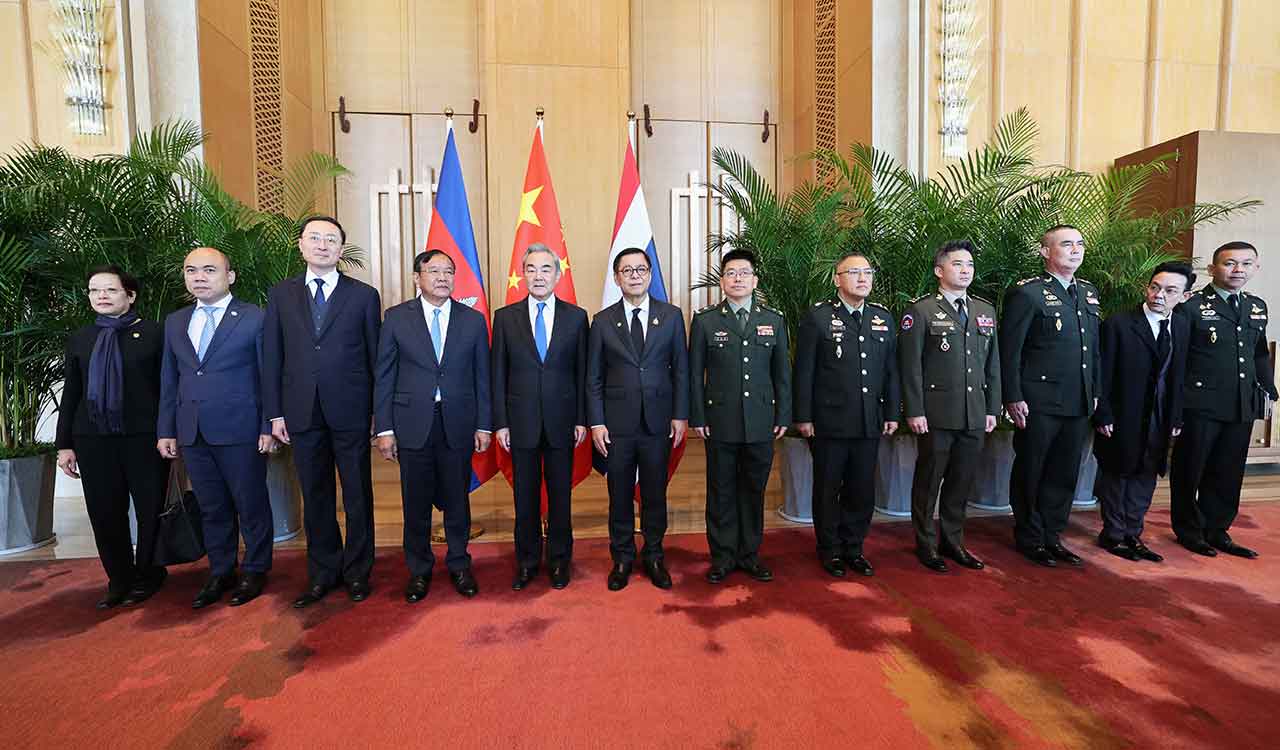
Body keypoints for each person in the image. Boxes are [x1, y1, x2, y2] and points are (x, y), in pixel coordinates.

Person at [263, 216, 382, 608]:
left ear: (341, 249)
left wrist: (377, 413)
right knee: (315, 494)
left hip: (351, 409)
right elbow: (272, 356)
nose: (322, 245)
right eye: (314, 238)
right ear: (301, 245)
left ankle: (358, 572)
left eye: (331, 239)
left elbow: (375, 359)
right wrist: (275, 413)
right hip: (301, 410)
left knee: (357, 494)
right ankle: (322, 573)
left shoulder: (363, 296)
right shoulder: (281, 295)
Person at [157, 248, 276, 609]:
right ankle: (221, 570)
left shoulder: (254, 317)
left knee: (250, 503)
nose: (199, 277)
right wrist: (166, 430)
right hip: (192, 430)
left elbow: (268, 377)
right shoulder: (175, 321)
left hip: (241, 428)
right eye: (191, 270)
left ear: (230, 276)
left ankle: (255, 569)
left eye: (209, 270)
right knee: (211, 506)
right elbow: (169, 380)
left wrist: (268, 425)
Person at [375, 250, 491, 601]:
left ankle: (459, 564)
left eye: (448, 272)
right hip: (412, 423)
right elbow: (384, 375)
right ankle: (419, 569)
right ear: (417, 278)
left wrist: (484, 425)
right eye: (434, 271)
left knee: (457, 499)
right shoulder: (396, 318)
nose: (442, 278)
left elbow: (482, 377)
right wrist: (384, 429)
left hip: (458, 421)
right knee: (416, 502)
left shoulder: (473, 320)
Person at [55, 265, 169, 609]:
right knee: (105, 512)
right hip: (93, 439)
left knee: (150, 510)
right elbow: (71, 394)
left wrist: (169, 432)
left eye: (110, 290)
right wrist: (64, 445)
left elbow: (168, 389)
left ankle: (149, 574)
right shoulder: (81, 338)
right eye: (94, 290)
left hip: (145, 438)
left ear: (130, 296)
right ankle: (119, 579)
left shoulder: (155, 333)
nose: (101, 296)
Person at [999, 225, 1101, 568]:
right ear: (1045, 251)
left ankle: (1053, 535)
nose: (1076, 250)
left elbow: (1094, 351)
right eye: (1066, 244)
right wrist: (1012, 396)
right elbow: (1010, 351)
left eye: (1080, 244)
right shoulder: (1027, 293)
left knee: (1064, 472)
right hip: (1038, 401)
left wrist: (1095, 391)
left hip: (1078, 400)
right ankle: (1030, 537)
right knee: (1032, 469)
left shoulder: (1088, 292)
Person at [793, 250, 899, 578]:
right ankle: (829, 549)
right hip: (830, 422)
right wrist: (804, 417)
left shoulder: (882, 317)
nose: (863, 278)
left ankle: (854, 547)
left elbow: (891, 371)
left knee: (861, 488)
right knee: (828, 488)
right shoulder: (819, 317)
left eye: (867, 272)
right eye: (854, 273)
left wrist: (892, 412)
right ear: (837, 279)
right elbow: (804, 372)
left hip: (869, 420)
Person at [588, 247, 689, 591]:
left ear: (650, 274)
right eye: (627, 270)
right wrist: (596, 422)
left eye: (641, 269)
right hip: (616, 426)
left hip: (658, 422)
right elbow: (594, 378)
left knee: (654, 493)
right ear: (617, 278)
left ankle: (655, 555)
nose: (634, 275)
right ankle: (622, 557)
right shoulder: (602, 321)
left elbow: (681, 371)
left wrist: (680, 414)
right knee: (618, 494)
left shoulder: (671, 316)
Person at [688, 249, 790, 584]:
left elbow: (782, 374)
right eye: (731, 273)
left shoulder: (773, 320)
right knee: (721, 491)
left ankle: (749, 555)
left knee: (753, 490)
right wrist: (698, 416)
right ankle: (722, 557)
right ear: (722, 281)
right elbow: (694, 375)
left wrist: (783, 414)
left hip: (761, 420)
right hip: (720, 420)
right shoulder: (705, 321)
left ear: (755, 280)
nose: (738, 279)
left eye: (744, 273)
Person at [1170, 241, 1278, 558]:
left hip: (1241, 403)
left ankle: (1217, 529)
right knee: (1191, 468)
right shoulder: (1191, 307)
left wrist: (1269, 388)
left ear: (1255, 268)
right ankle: (1189, 531)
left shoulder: (1256, 306)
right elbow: (1177, 358)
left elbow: (1259, 353)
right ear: (1212, 269)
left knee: (1228, 470)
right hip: (1200, 403)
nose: (1237, 270)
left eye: (1246, 264)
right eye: (1230, 263)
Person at [898, 240, 1000, 573]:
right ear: (939, 271)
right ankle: (926, 543)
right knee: (929, 482)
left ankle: (953, 542)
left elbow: (992, 364)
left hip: (974, 412)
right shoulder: (921, 310)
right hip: (936, 414)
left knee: (961, 481)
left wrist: (992, 408)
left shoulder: (985, 311)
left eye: (969, 264)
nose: (965, 270)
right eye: (957, 264)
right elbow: (910, 366)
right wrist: (914, 409)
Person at [491, 243, 587, 591]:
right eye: (531, 269)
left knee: (561, 497)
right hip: (520, 423)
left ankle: (560, 561)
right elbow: (497, 373)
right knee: (525, 498)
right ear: (523, 274)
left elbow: (582, 373)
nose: (538, 276)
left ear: (558, 275)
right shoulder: (505, 317)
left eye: (546, 269)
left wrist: (581, 419)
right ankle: (527, 562)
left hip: (563, 422)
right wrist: (500, 422)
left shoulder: (577, 317)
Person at [1092, 261, 1193, 562]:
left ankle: (1133, 534)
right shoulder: (1119, 324)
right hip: (1123, 413)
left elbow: (1179, 375)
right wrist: (1103, 413)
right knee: (1118, 472)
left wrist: (1176, 415)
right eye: (1155, 287)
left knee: (1147, 473)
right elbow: (1102, 374)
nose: (1159, 295)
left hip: (1160, 414)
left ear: (1185, 297)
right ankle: (1113, 534)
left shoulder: (1182, 325)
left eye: (1170, 291)